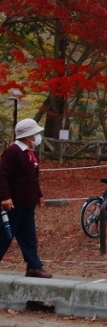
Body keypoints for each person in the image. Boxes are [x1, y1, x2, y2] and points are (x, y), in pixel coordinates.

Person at [0, 119, 52, 278]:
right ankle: (34, 265)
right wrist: (5, 197)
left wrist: (38, 194)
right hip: (14, 204)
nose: (37, 136)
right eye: (35, 133)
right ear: (28, 135)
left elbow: (33, 177)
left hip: (27, 203)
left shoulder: (31, 154)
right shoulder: (12, 152)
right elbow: (2, 174)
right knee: (4, 236)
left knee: (29, 236)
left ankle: (34, 267)